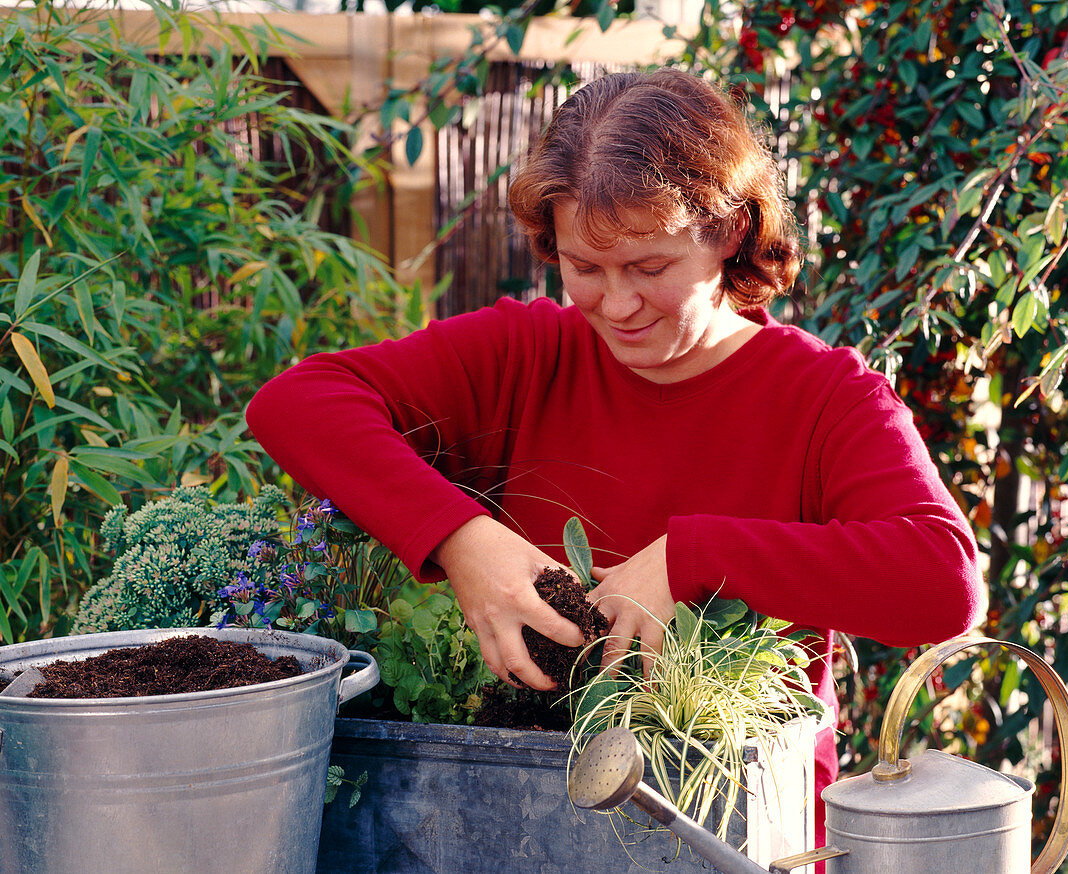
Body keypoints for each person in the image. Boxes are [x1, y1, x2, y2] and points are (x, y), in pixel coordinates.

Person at [245, 69, 986, 854]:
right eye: (584, 268)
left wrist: (694, 558)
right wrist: (463, 541)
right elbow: (297, 402)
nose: (617, 305)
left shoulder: (826, 400)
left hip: (739, 838)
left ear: (730, 231)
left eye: (649, 268)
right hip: (524, 822)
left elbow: (942, 583)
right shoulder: (526, 355)